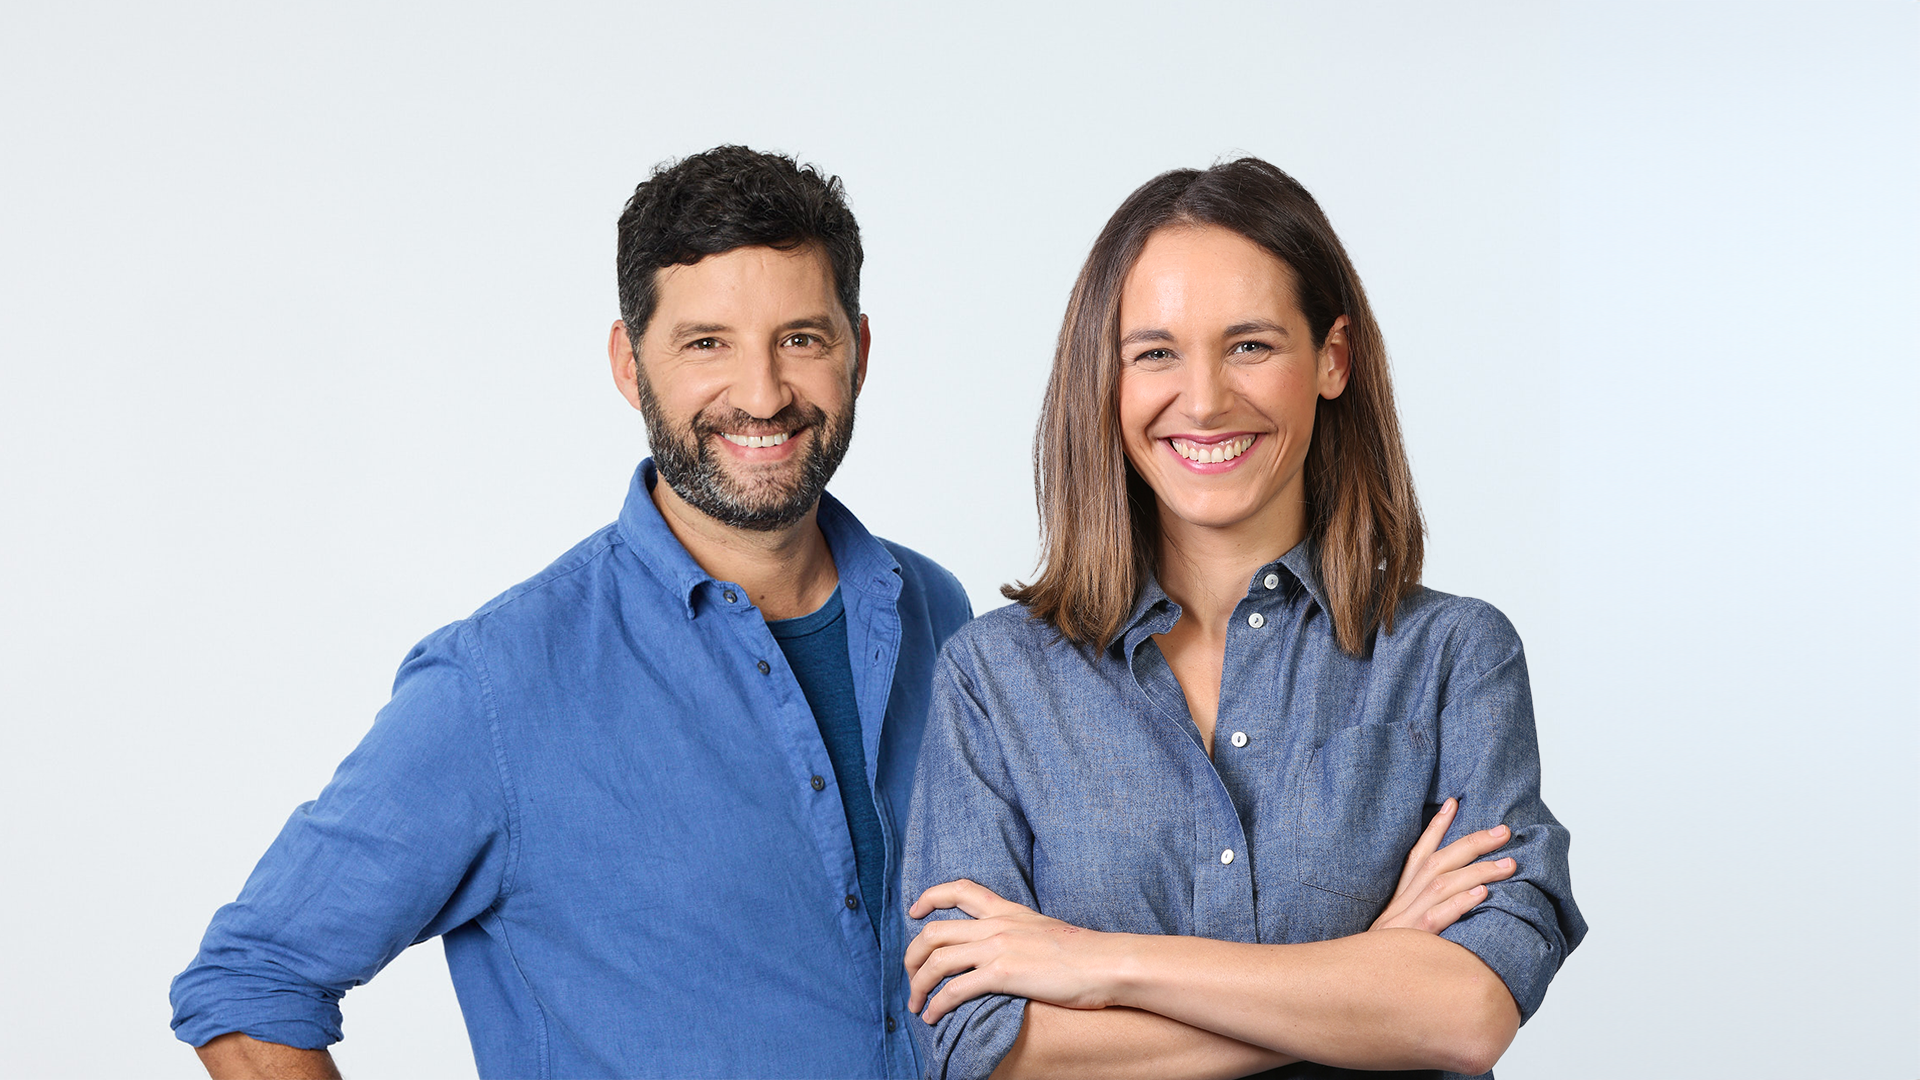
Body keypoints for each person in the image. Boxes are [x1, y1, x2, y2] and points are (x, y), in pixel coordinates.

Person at [169, 145, 972, 1079]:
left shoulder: (936, 614)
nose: (762, 393)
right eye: (706, 342)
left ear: (858, 353)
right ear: (630, 365)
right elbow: (251, 981)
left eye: (801, 337)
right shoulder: (498, 685)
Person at [901, 158, 1587, 1080]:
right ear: (1105, 380)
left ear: (1331, 359)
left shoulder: (1454, 659)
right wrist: (1366, 975)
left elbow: (1466, 1012)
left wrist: (1094, 962)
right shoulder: (994, 680)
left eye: (1251, 346)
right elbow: (984, 1048)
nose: (1206, 399)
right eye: (1155, 352)